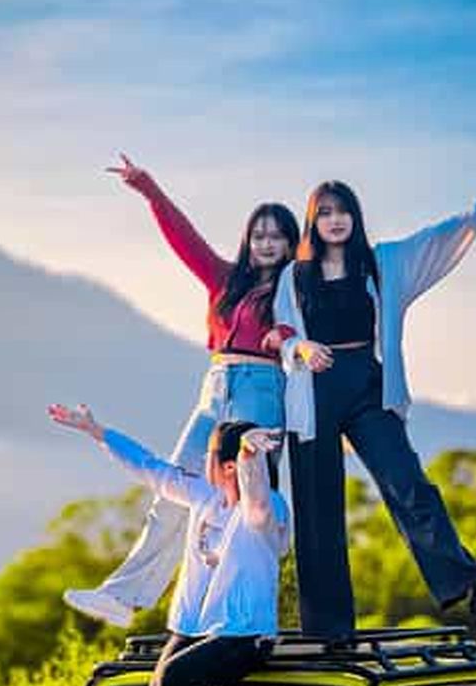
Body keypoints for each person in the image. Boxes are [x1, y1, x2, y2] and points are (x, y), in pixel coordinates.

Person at [269, 173, 476, 637]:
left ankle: (467, 581)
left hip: (368, 384)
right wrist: (300, 348)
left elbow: (433, 239)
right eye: (326, 213)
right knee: (318, 510)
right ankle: (328, 630)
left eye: (343, 212)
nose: (335, 221)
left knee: (408, 482)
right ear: (312, 222)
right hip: (311, 390)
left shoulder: (382, 263)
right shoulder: (294, 276)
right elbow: (279, 332)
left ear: (355, 218)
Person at [64, 156, 300, 628]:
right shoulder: (224, 280)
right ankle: (123, 597)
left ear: (291, 242)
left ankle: (238, 610)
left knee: (244, 505)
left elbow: (299, 333)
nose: (266, 243)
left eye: (276, 235)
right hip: (214, 389)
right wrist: (150, 190)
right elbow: (185, 240)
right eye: (259, 235)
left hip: (262, 389)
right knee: (172, 490)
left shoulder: (295, 285)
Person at [48, 401, 289, 686]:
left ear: (227, 466)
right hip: (193, 628)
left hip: (244, 636)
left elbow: (255, 502)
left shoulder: (268, 510)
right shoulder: (204, 497)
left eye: (213, 460)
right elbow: (150, 469)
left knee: (173, 677)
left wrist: (252, 459)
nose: (202, 466)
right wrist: (98, 431)